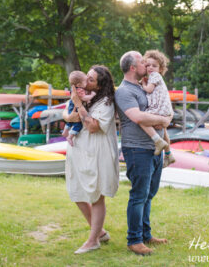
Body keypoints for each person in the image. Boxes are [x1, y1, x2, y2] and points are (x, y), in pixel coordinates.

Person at [115, 51, 172, 256]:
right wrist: (164, 120)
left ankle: (146, 235)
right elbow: (137, 117)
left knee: (149, 195)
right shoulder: (123, 91)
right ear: (132, 67)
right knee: (138, 196)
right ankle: (134, 240)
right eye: (142, 62)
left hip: (153, 148)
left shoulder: (142, 88)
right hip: (137, 149)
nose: (146, 65)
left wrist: (163, 120)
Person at [63, 65, 119, 254]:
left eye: (91, 80)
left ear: (100, 85)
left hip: (97, 153)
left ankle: (93, 239)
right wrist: (72, 111)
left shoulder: (106, 102)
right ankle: (100, 232)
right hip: (78, 151)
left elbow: (93, 126)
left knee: (96, 195)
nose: (86, 81)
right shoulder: (81, 94)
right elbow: (67, 115)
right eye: (87, 76)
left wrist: (78, 105)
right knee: (77, 193)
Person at [141, 50, 175, 167]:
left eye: (154, 66)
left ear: (160, 69)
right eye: (148, 65)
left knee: (141, 119)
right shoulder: (154, 77)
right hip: (164, 109)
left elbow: (149, 90)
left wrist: (142, 85)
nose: (150, 68)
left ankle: (157, 141)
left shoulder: (155, 76)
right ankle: (169, 154)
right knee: (164, 130)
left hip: (159, 108)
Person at [62, 71, 96, 146]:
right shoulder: (80, 90)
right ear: (79, 84)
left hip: (71, 106)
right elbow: (83, 98)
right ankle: (70, 136)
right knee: (78, 124)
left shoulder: (74, 89)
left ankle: (65, 130)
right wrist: (92, 96)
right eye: (85, 81)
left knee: (70, 120)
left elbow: (67, 114)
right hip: (75, 108)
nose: (87, 82)